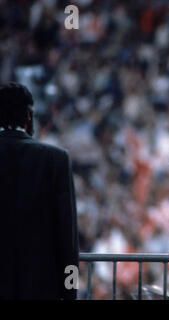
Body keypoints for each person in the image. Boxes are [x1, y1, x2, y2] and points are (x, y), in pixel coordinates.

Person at [0, 82, 79, 300]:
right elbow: (67, 240)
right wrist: (70, 291)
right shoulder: (56, 159)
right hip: (41, 289)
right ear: (28, 116)